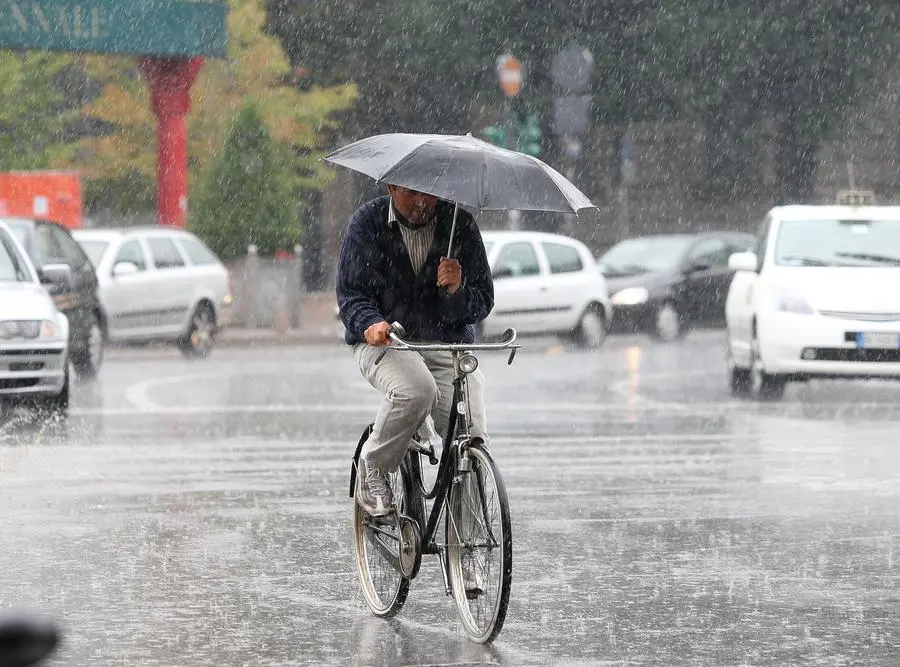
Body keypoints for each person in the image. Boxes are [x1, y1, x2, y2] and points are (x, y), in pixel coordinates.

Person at [337, 184, 494, 517]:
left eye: (430, 193)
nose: (423, 202)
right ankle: (374, 468)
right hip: (388, 342)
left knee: (471, 434)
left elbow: (482, 302)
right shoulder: (366, 223)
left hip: (446, 344)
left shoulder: (459, 225)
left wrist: (457, 290)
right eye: (412, 193)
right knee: (417, 390)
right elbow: (351, 296)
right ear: (392, 187)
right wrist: (371, 322)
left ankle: (468, 541)